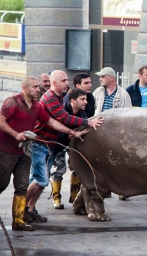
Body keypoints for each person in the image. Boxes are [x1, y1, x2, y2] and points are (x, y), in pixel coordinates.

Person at [0, 76, 89, 232]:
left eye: (38, 87)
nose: (38, 89)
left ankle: (19, 220)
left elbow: (51, 121)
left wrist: (72, 132)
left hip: (25, 150)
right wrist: (16, 134)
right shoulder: (12, 102)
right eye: (35, 87)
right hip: (5, 150)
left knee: (22, 187)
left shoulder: (37, 106)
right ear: (25, 89)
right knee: (2, 182)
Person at [25, 70, 103, 220]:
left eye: (67, 80)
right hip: (40, 145)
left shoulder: (59, 97)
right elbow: (64, 118)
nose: (67, 83)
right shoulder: (50, 98)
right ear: (54, 83)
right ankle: (20, 207)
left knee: (41, 181)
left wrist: (73, 133)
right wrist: (88, 122)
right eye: (64, 81)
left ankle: (29, 209)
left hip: (49, 145)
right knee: (41, 179)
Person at [50, 72, 96, 209]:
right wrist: (70, 134)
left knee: (77, 169)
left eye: (86, 99)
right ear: (73, 101)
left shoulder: (83, 113)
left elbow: (86, 121)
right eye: (83, 99)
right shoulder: (63, 108)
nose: (86, 102)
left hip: (74, 145)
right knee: (59, 170)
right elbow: (59, 127)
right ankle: (56, 198)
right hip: (59, 144)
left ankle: (74, 196)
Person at [92, 67, 132, 200]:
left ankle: (122, 190)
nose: (100, 79)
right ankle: (105, 189)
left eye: (103, 76)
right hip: (99, 133)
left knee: (119, 163)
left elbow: (128, 116)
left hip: (116, 135)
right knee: (101, 163)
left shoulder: (123, 94)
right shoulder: (97, 92)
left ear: (111, 78)